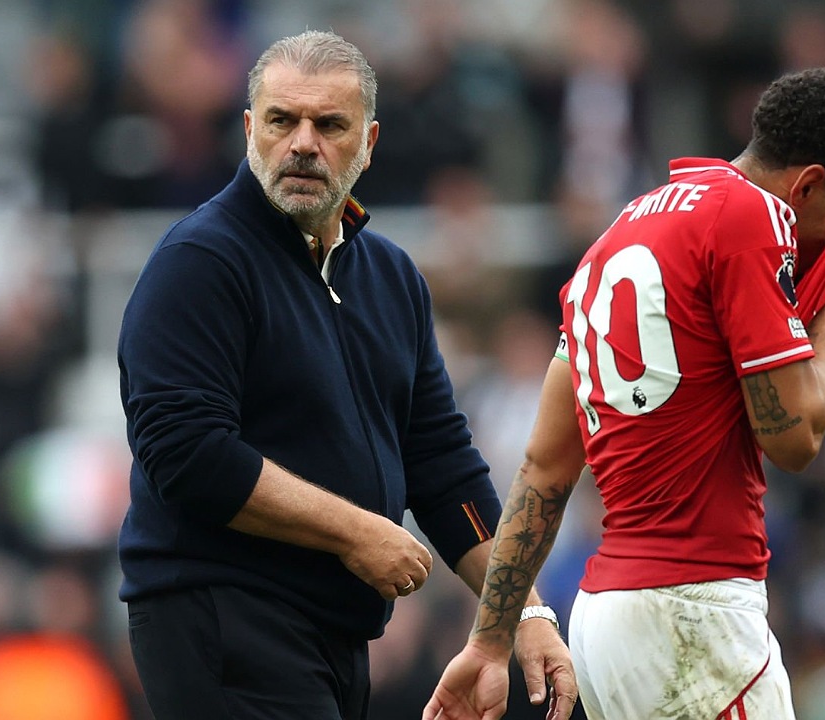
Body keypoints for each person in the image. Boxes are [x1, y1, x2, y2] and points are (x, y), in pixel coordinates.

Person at [424, 67, 825, 720]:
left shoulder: (613, 238)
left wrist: (489, 640)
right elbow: (795, 440)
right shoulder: (754, 218)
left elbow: (545, 465)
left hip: (608, 618)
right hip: (693, 613)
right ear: (809, 185)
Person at [116, 30, 572, 720]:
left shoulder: (390, 276)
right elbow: (185, 453)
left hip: (334, 635)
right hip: (221, 617)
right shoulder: (200, 261)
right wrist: (355, 532)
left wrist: (525, 614)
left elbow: (443, 467)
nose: (302, 143)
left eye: (329, 125)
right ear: (249, 129)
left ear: (370, 142)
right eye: (281, 121)